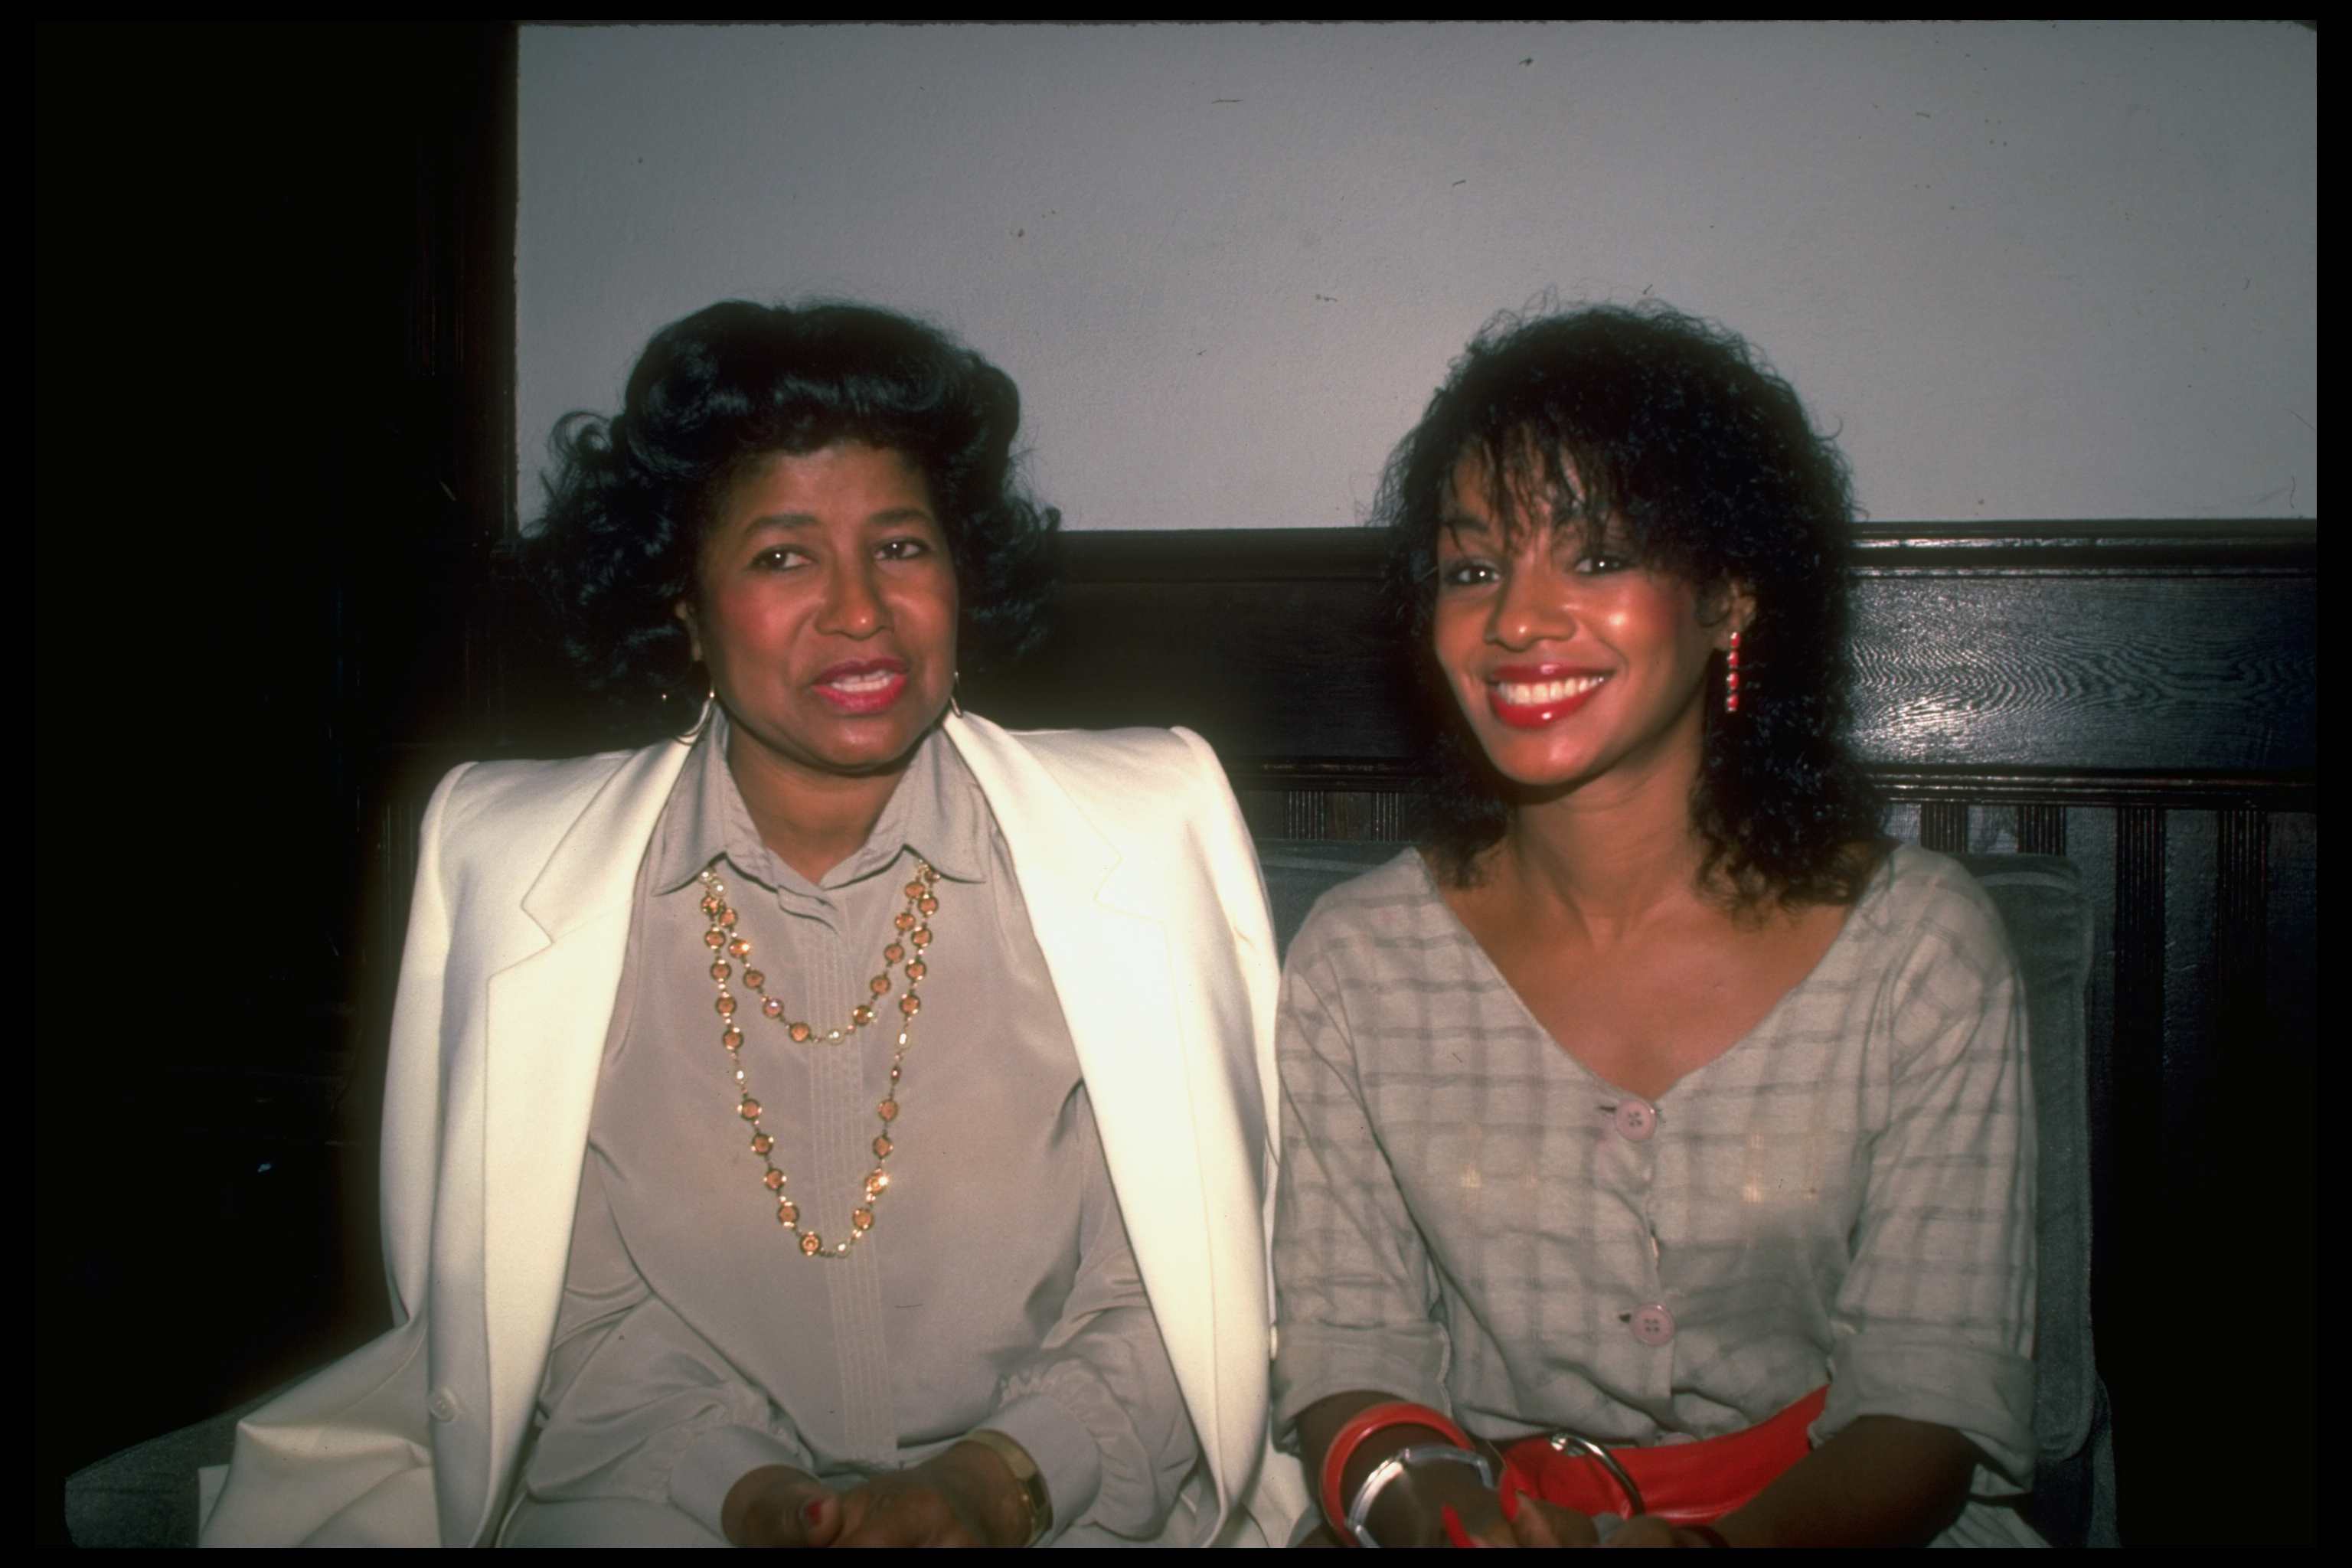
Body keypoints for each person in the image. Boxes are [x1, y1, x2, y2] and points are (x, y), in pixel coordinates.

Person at [198, 300, 1305, 1547]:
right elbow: (563, 1311)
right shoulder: (509, 861)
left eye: (901, 547)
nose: (859, 611)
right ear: (683, 601)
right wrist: (755, 1495)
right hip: (659, 1491)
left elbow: (1193, 1284)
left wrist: (986, 1487)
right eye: (784, 555)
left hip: (1067, 1490)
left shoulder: (1149, 825)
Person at [1271, 304, 2040, 1547]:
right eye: (1474, 568)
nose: (1518, 620)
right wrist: (1437, 1516)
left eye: (1597, 555)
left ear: (1730, 596)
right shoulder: (1360, 965)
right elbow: (1349, 1351)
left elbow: (1931, 1401)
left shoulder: (1917, 951)